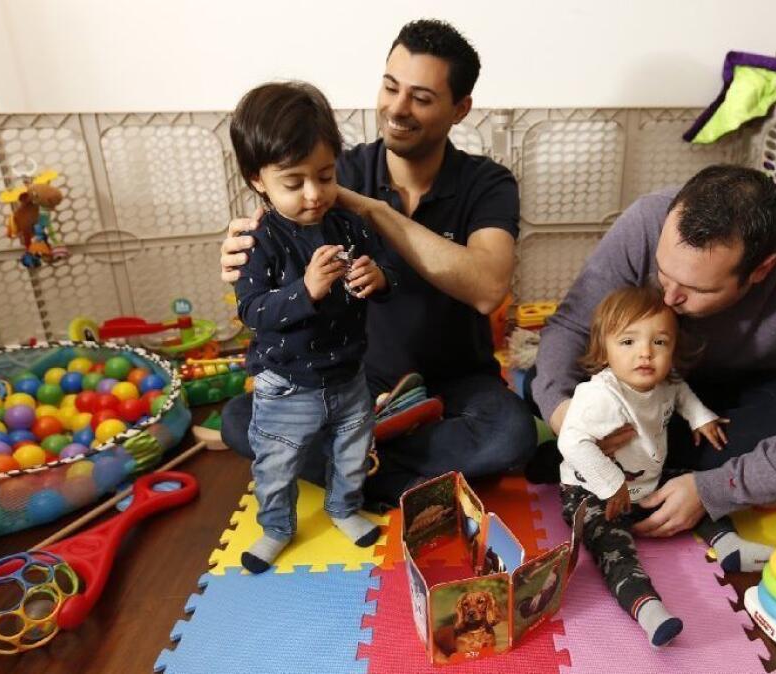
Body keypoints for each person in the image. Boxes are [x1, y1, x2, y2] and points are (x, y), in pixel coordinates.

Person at [218, 20, 537, 507]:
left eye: (422, 98)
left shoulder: (486, 183)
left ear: (460, 109)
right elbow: (279, 238)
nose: (397, 109)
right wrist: (244, 251)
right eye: (390, 87)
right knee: (241, 419)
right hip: (352, 376)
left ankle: (361, 465)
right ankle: (401, 478)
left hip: (455, 384)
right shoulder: (333, 173)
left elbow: (489, 287)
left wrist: (375, 210)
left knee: (512, 435)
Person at [530, 164, 776, 549]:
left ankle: (637, 463)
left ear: (762, 269)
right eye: (663, 273)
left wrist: (716, 490)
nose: (669, 299)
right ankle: (626, 458)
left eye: (694, 289)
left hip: (731, 400)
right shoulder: (647, 218)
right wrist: (563, 414)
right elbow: (569, 327)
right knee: (543, 382)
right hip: (634, 389)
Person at [229, 81, 388, 572]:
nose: (315, 194)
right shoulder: (259, 240)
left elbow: (384, 271)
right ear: (258, 179)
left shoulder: (349, 224)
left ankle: (343, 507)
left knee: (352, 453)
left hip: (349, 377)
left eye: (325, 175)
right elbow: (252, 311)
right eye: (294, 183)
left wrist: (377, 277)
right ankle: (276, 527)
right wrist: (308, 289)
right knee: (275, 466)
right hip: (287, 384)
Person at [559, 286, 741, 646]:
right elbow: (571, 442)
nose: (645, 353)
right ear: (604, 349)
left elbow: (682, 392)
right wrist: (611, 484)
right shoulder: (599, 396)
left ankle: (732, 546)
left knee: (697, 486)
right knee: (612, 547)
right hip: (594, 491)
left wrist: (700, 418)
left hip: (647, 480)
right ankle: (648, 608)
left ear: (673, 349)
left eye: (659, 342)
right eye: (628, 342)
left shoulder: (666, 381)